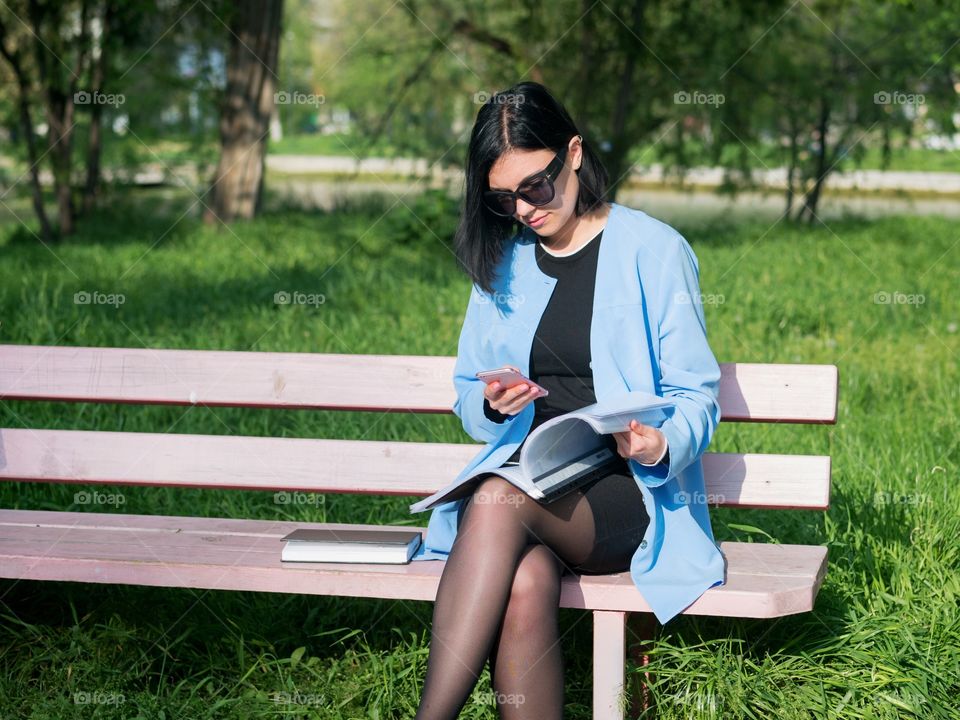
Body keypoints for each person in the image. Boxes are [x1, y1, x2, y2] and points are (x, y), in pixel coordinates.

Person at [410, 81, 726, 720]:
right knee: (525, 580)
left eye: (537, 184)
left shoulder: (655, 250)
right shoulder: (505, 263)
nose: (525, 208)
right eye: (505, 197)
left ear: (574, 153)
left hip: (626, 485)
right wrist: (495, 404)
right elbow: (469, 395)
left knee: (495, 498)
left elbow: (697, 395)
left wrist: (660, 442)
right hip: (536, 479)